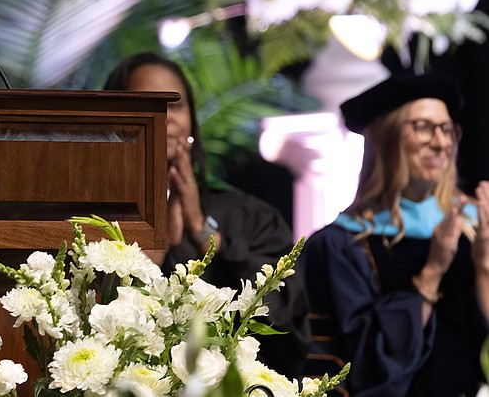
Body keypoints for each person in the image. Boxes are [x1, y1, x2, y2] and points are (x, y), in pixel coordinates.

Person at [104, 52, 310, 380]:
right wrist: (152, 252)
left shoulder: (249, 215)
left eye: (175, 105)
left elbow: (284, 321)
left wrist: (203, 232)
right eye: (147, 105)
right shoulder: (88, 221)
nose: (164, 118)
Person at [300, 73, 489, 396]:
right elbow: (361, 364)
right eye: (424, 127)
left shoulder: (473, 226)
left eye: (447, 129)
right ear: (386, 139)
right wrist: (432, 272)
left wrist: (484, 263)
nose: (441, 143)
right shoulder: (340, 245)